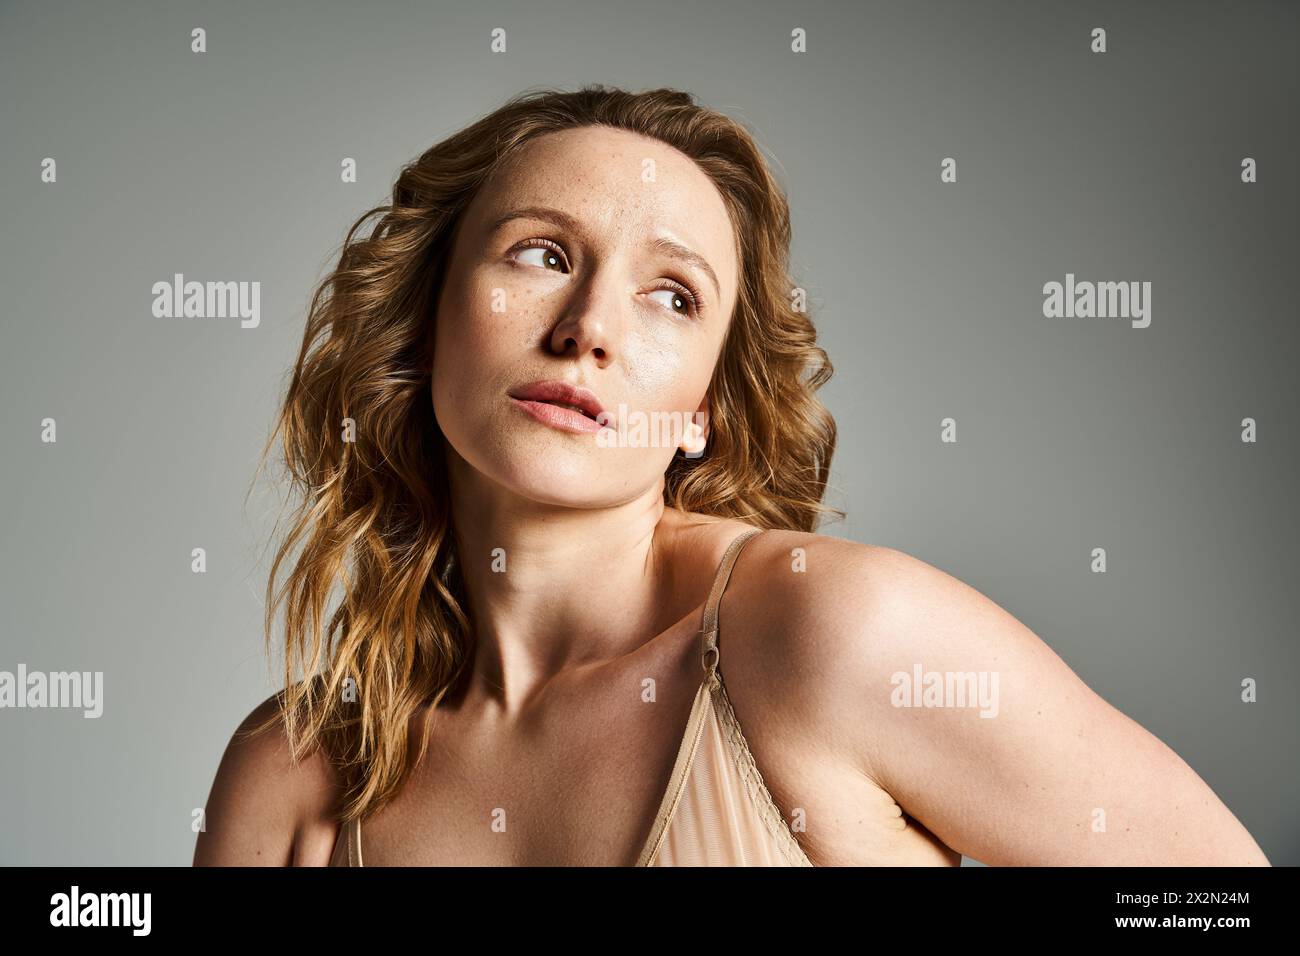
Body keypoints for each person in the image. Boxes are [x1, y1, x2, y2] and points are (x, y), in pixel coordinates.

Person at [193, 85, 1269, 867]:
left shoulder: (823, 636)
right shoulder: (291, 775)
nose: (589, 331)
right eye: (542, 254)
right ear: (428, 317)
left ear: (703, 405)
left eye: (672, 295)